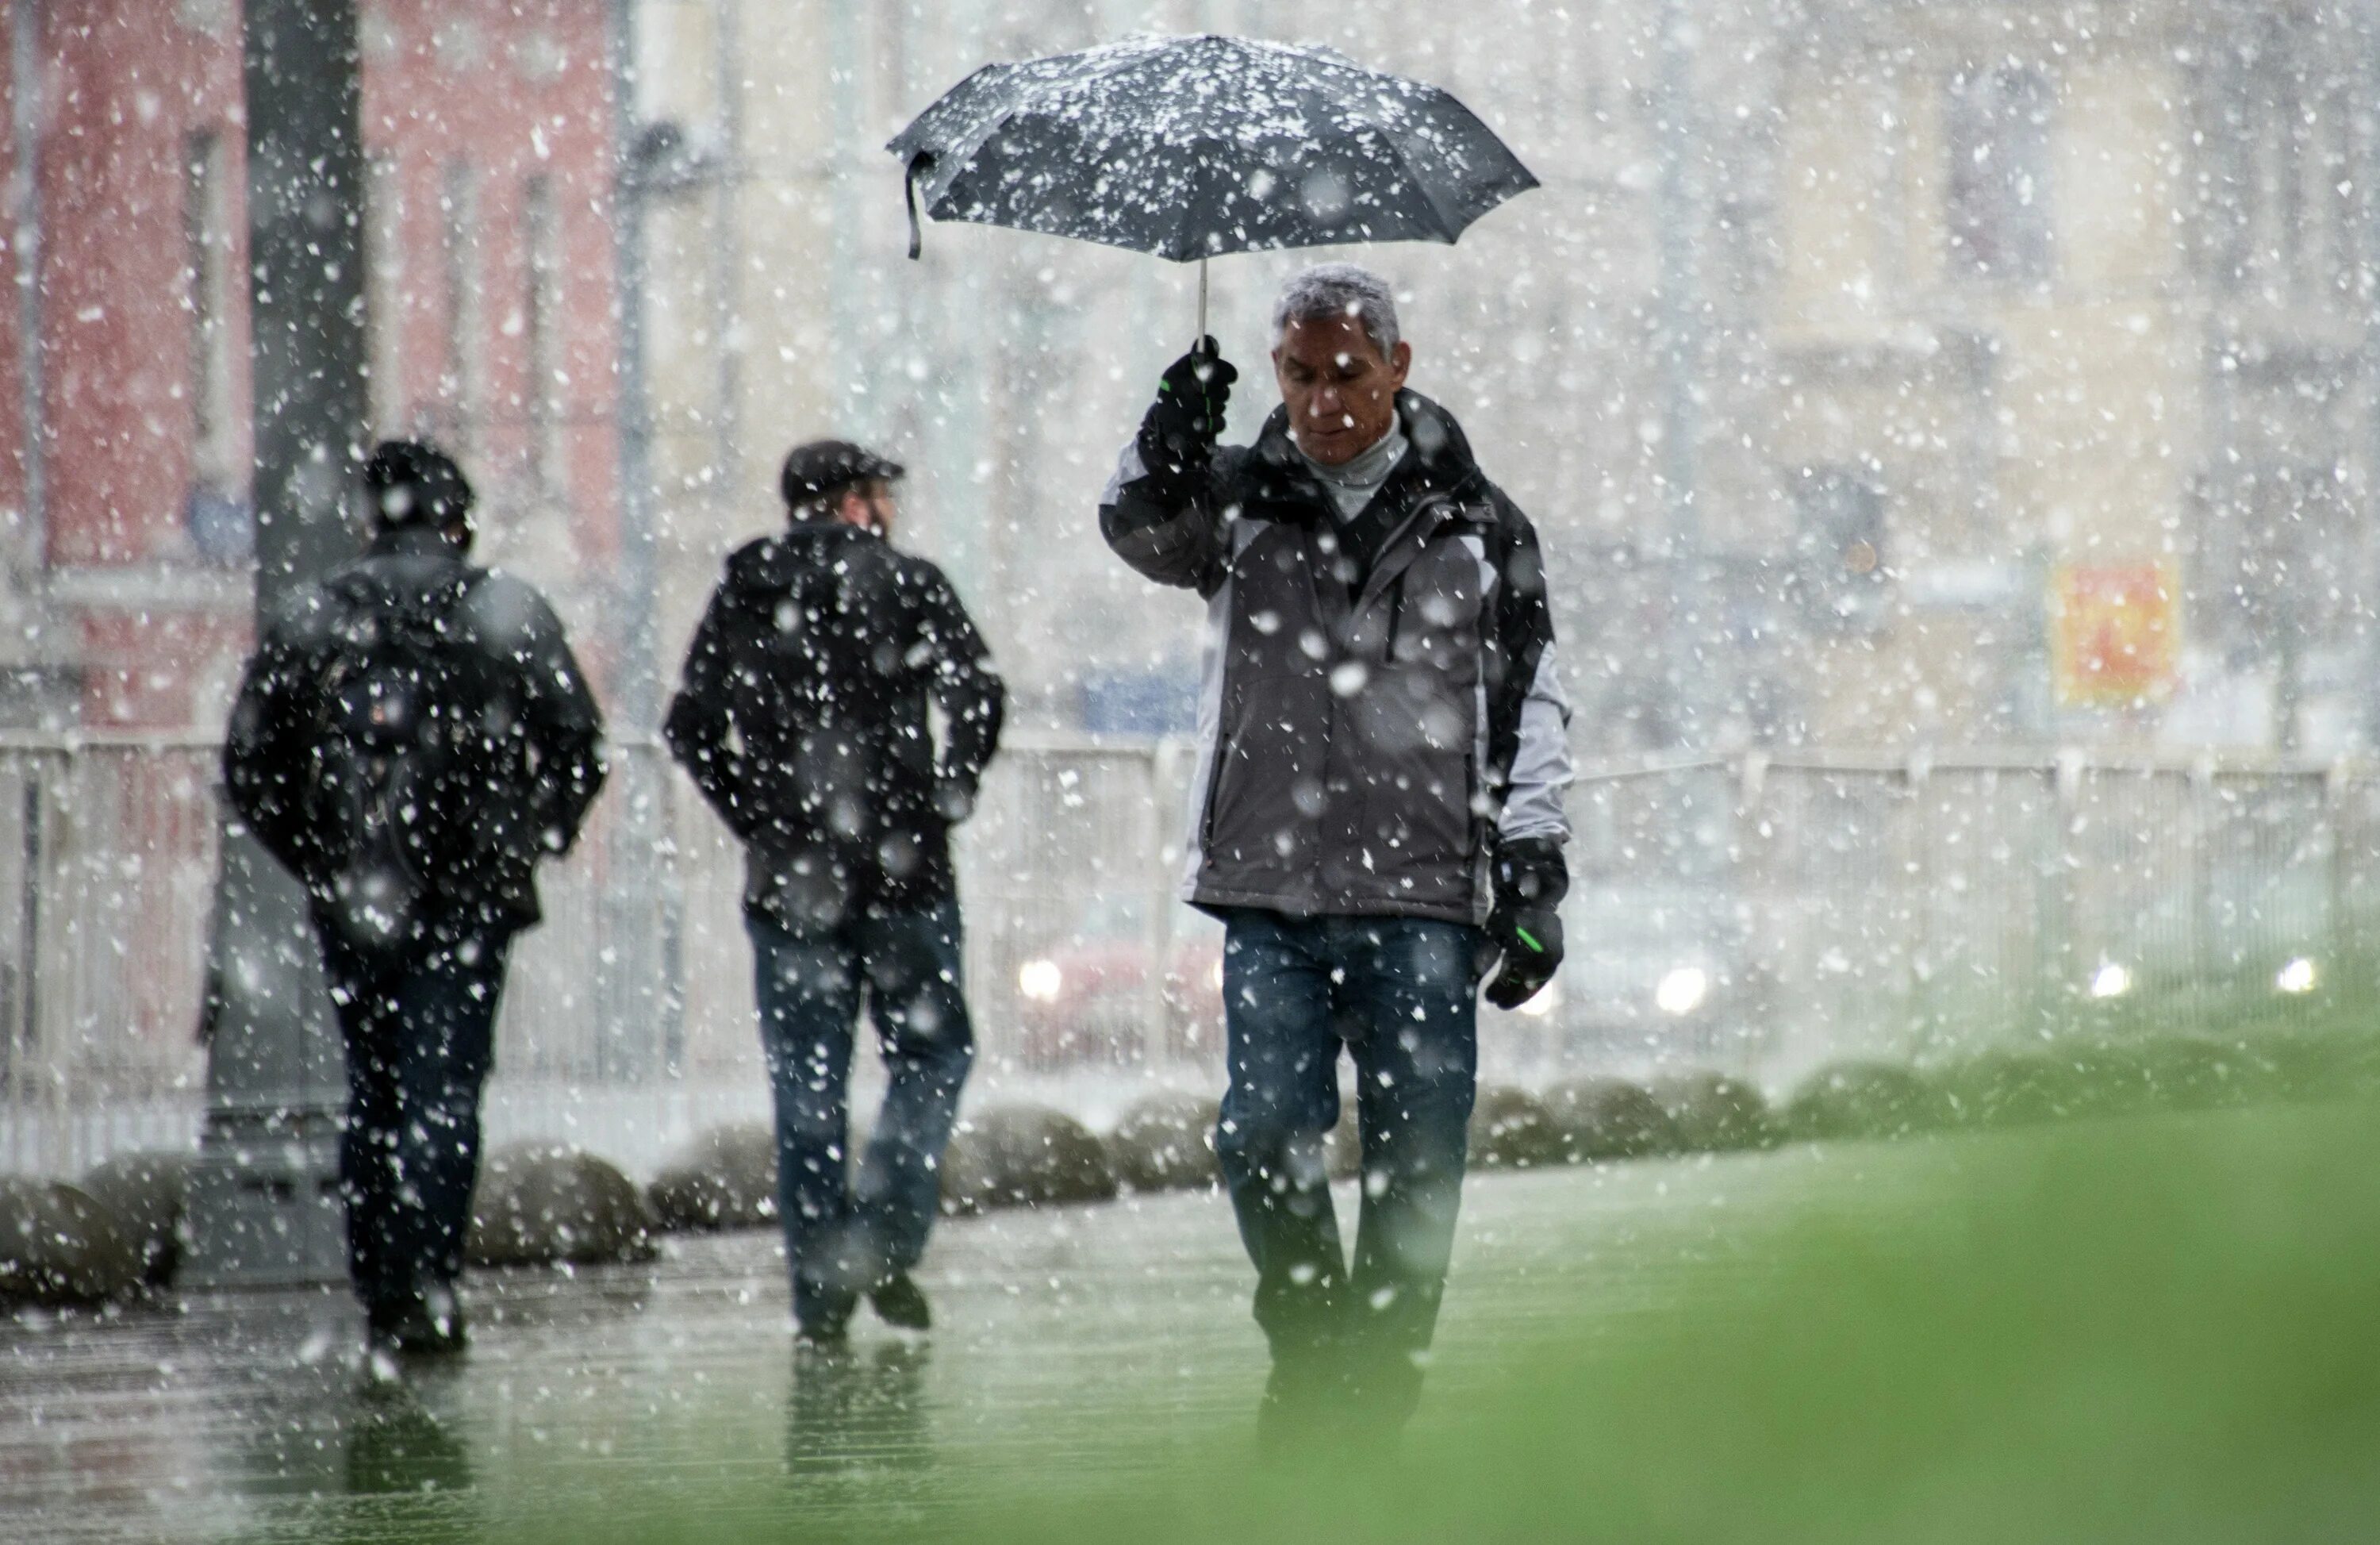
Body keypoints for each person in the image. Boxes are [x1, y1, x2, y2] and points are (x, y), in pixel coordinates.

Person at [1100, 263, 1574, 1435]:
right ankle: (1311, 1349)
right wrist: (1168, 440)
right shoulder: (1236, 499)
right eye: (1300, 375)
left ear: (1399, 367)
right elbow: (1137, 528)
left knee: (1419, 1162)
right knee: (1262, 1130)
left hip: (1426, 897)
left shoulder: (1479, 521)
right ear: (1276, 374)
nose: (1323, 400)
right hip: (1271, 888)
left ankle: (1383, 1378)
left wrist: (1533, 867)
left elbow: (1533, 697)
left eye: (1348, 374)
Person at [225, 440, 606, 1355]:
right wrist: (528, 839)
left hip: (359, 892)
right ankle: (430, 1280)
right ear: (457, 520)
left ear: (374, 518)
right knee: (445, 1092)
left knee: (376, 1090)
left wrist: (320, 855)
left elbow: (249, 763)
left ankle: (382, 1284)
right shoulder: (504, 611)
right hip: (470, 898)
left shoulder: (317, 614)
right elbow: (578, 747)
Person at [666, 440, 1004, 1343]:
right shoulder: (909, 582)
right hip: (906, 874)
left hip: (793, 886)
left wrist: (759, 821)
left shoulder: (744, 588)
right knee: (930, 1059)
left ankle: (820, 1289)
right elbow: (978, 688)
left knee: (807, 1084)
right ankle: (886, 1241)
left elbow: (689, 725)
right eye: (879, 494)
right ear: (854, 501)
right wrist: (947, 790)